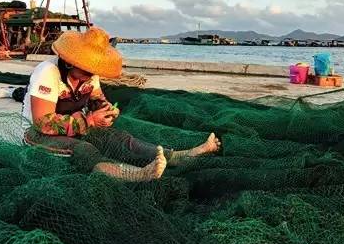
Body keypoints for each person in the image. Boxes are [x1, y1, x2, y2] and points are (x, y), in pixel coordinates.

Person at [21, 27, 221, 182]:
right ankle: (135, 175)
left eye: (93, 69)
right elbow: (42, 122)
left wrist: (107, 110)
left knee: (120, 138)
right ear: (70, 61)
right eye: (87, 69)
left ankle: (179, 156)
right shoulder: (48, 72)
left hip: (75, 125)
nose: (91, 74)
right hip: (38, 134)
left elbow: (97, 99)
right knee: (84, 150)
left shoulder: (89, 75)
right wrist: (89, 121)